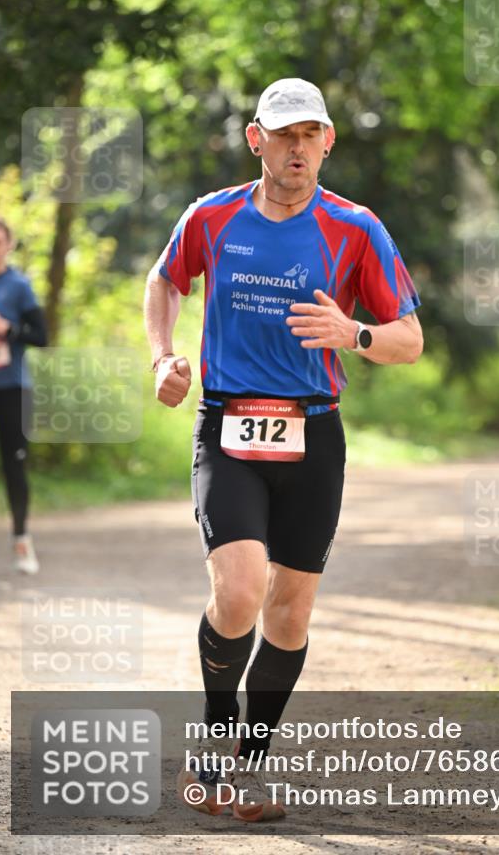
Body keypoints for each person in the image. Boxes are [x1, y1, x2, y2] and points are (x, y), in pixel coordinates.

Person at [143, 78, 423, 822]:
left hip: (313, 432)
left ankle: (247, 772)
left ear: (327, 141)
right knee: (238, 593)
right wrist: (162, 357)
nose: (296, 148)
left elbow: (408, 340)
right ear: (255, 139)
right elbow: (164, 280)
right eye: (283, 133)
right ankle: (212, 743)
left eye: (310, 135)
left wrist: (355, 334)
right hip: (229, 425)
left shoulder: (356, 228)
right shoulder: (211, 216)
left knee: (289, 616)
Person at [0, 217, 48, 574]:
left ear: (9, 246)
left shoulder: (19, 286)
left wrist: (6, 328)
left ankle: (22, 539)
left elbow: (41, 336)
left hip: (12, 388)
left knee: (14, 465)